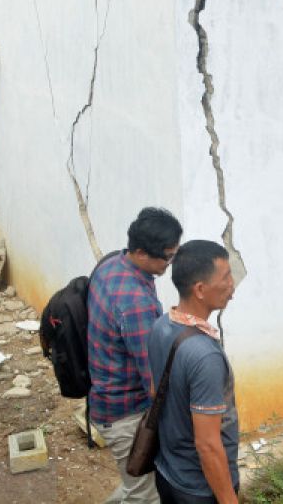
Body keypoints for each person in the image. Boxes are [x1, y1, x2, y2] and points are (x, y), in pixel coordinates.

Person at [88, 207, 183, 504]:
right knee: (145, 496)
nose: (170, 264)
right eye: (167, 257)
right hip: (126, 413)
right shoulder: (136, 303)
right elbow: (154, 382)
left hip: (105, 395)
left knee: (136, 483)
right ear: (141, 251)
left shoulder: (112, 263)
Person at [147, 240, 238, 504]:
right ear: (200, 289)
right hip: (199, 489)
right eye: (226, 276)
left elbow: (155, 392)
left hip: (167, 473)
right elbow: (207, 445)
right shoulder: (204, 354)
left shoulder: (161, 326)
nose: (232, 284)